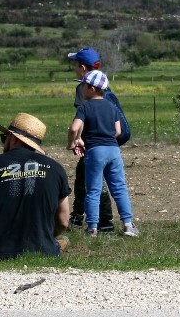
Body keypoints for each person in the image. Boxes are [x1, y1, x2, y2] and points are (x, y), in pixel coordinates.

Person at [0, 112, 72, 258]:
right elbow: (63, 221)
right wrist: (46, 238)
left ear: (13, 139)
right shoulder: (56, 168)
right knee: (61, 242)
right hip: (42, 251)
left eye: (4, 138)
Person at [67, 69, 139, 237]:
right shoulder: (111, 106)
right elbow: (118, 131)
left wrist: (72, 143)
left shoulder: (85, 107)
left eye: (83, 86)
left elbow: (74, 128)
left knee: (93, 190)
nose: (81, 89)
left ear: (91, 89)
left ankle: (92, 227)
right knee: (119, 188)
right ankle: (128, 225)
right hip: (114, 151)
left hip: (95, 152)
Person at [66, 47, 117, 232]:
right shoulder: (104, 85)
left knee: (89, 180)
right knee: (94, 178)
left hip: (92, 143)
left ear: (82, 67)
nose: (75, 68)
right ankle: (91, 218)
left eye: (76, 64)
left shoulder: (84, 88)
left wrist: (77, 141)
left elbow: (82, 119)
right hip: (108, 141)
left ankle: (101, 221)